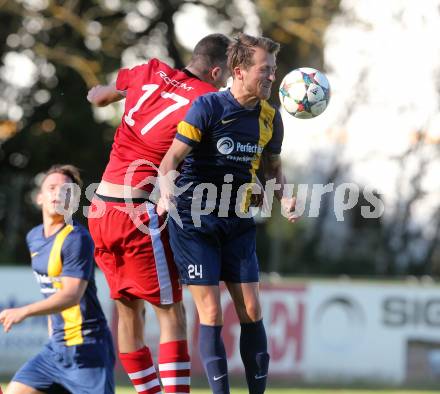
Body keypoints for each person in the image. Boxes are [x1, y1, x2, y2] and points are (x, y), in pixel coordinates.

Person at [86, 33, 231, 394]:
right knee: (171, 314)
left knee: (127, 311)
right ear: (215, 71)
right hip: (135, 214)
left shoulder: (149, 69)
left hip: (100, 210)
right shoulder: (206, 100)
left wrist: (100, 93)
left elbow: (100, 95)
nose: (227, 82)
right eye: (227, 75)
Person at [158, 33, 298, 394]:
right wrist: (166, 189)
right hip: (194, 219)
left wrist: (283, 197)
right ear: (239, 71)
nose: (271, 77)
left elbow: (273, 169)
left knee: (251, 308)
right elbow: (172, 158)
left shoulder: (270, 116)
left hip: (237, 218)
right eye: (264, 70)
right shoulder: (208, 107)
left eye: (274, 70)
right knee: (212, 314)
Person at [0, 164, 115, 394]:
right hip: (55, 351)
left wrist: (23, 311)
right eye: (52, 188)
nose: (58, 193)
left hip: (87, 349)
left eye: (66, 191)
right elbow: (51, 288)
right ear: (39, 197)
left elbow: (71, 295)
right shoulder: (34, 237)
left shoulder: (77, 238)